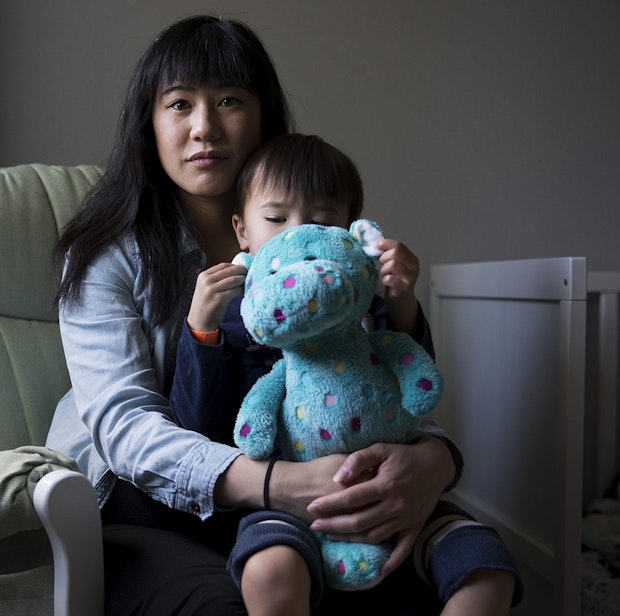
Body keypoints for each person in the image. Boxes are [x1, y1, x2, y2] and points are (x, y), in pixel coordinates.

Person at [48, 14, 464, 615]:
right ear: (150, 122)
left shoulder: (322, 243)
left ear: (263, 114)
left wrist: (435, 461)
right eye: (179, 104)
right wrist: (279, 485)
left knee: (450, 570)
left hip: (307, 487)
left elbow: (369, 381)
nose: (204, 127)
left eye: (228, 100)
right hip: (153, 505)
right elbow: (126, 428)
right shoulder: (105, 256)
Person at [170, 133, 523, 615]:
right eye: (276, 219)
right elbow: (199, 428)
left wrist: (402, 303)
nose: (300, 235)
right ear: (242, 231)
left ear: (352, 232)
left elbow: (415, 390)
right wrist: (201, 331)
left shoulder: (364, 306)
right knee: (269, 571)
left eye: (321, 221)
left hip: (390, 492)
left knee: (487, 568)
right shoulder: (237, 316)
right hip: (288, 508)